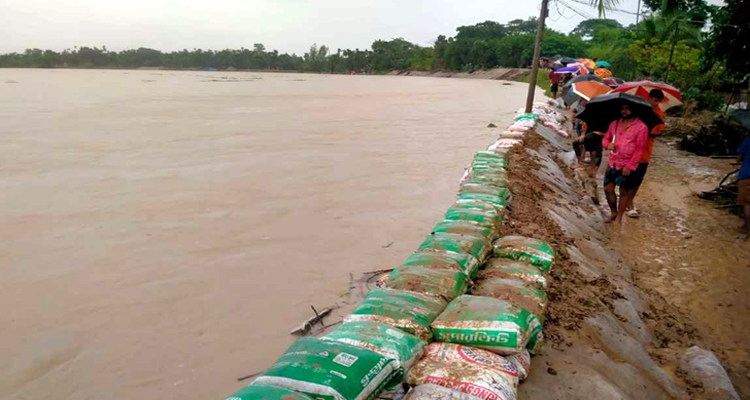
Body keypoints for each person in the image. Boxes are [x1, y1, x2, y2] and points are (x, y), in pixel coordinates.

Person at [602, 103, 650, 225]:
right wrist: (607, 145)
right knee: (608, 189)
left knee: (624, 191)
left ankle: (619, 216)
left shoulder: (641, 128)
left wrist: (630, 165)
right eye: (622, 108)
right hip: (613, 161)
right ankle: (613, 212)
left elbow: (640, 149)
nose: (624, 111)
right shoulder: (615, 123)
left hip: (627, 164)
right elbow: (606, 138)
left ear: (634, 110)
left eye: (628, 108)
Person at [627, 89, 666, 218]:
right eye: (655, 100)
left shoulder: (659, 114)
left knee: (637, 180)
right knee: (628, 178)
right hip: (631, 150)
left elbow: (658, 131)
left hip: (645, 152)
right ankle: (627, 203)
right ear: (649, 98)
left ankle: (629, 203)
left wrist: (648, 131)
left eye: (658, 101)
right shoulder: (639, 109)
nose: (656, 103)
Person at [737, 136, 750, 236]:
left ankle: (747, 227)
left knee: (747, 203)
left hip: (747, 175)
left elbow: (739, 158)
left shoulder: (748, 139)